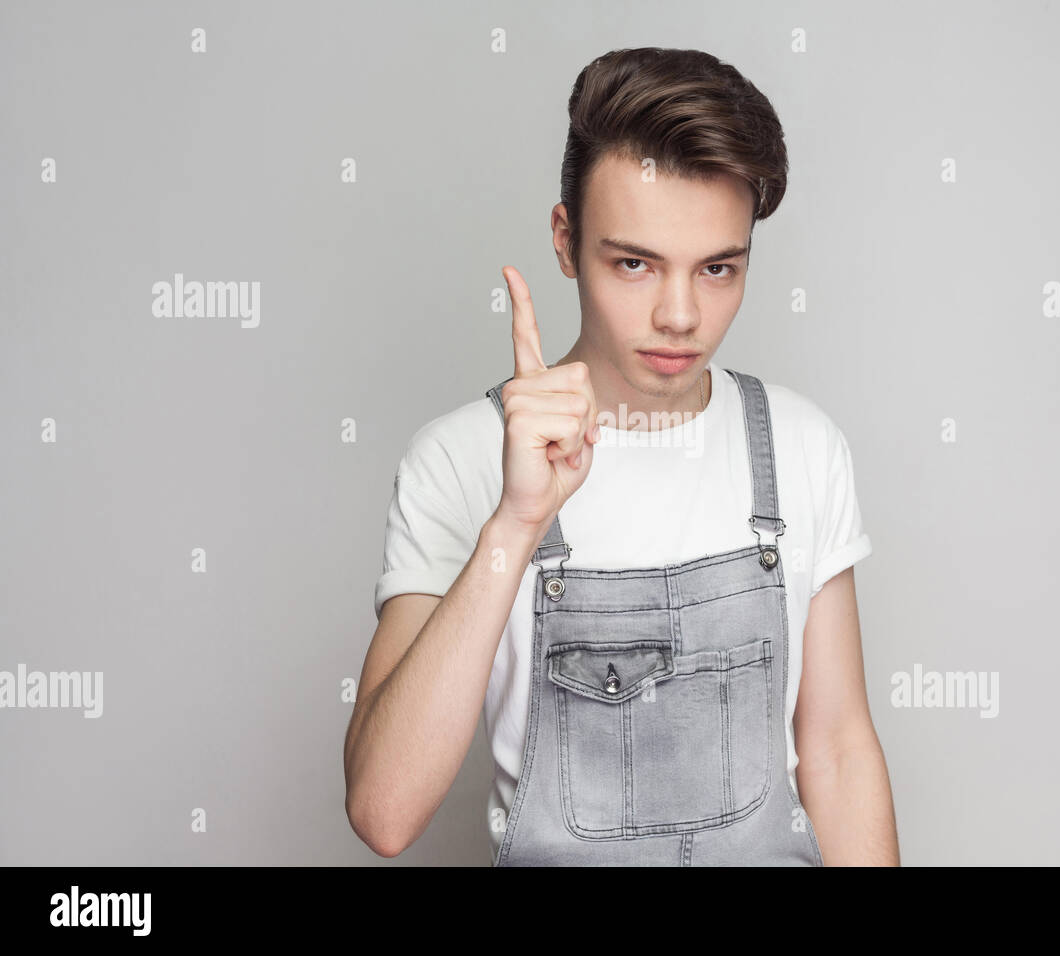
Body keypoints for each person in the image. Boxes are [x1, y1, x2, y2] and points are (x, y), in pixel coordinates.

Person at [343, 47, 900, 866]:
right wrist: (516, 524)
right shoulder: (459, 460)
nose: (680, 316)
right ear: (566, 242)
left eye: (717, 269)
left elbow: (839, 751)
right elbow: (383, 812)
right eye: (634, 264)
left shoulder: (801, 446)